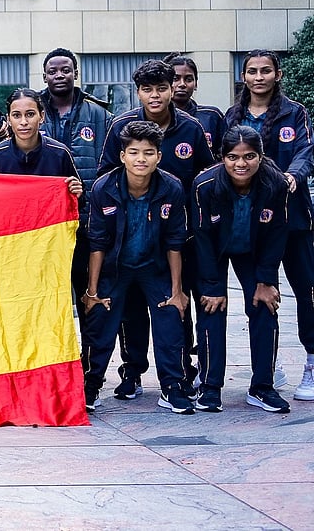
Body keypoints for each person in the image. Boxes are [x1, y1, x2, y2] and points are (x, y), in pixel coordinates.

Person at [97, 60, 214, 401]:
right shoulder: (122, 125)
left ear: (172, 87)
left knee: (178, 303)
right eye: (147, 89)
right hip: (131, 235)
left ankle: (182, 372)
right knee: (130, 308)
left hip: (178, 234)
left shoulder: (191, 128)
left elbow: (207, 175)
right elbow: (107, 175)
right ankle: (131, 372)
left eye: (162, 88)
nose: (156, 95)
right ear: (138, 92)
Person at [81, 121, 190, 414]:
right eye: (134, 152)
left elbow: (175, 241)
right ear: (122, 156)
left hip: (155, 267)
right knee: (100, 320)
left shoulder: (171, 187)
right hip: (115, 268)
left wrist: (177, 290)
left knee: (170, 318)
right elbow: (97, 242)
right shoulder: (104, 187)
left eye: (148, 152)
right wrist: (92, 291)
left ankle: (173, 386)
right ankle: (90, 385)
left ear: (159, 156)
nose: (141, 159)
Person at [224, 49, 314, 402]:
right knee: (260, 294)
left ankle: (310, 362)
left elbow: (307, 151)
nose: (258, 76)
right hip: (250, 219)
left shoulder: (296, 113)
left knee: (306, 290)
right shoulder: (233, 115)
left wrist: (293, 177)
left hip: (292, 218)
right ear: (243, 76)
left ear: (278, 75)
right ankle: (267, 366)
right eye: (251, 71)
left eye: (265, 70)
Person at [192, 126, 291, 413]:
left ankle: (262, 386)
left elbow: (277, 233)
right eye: (233, 157)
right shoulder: (205, 185)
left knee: (264, 306)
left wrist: (266, 279)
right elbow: (201, 235)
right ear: (222, 158)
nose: (241, 164)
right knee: (212, 308)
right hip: (215, 249)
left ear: (260, 157)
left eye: (249, 156)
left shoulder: (275, 184)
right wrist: (212, 285)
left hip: (255, 250)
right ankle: (210, 387)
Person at [39, 47, 113, 311]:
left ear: (76, 74)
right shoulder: (31, 112)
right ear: (44, 76)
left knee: (88, 291)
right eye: (53, 71)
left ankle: (90, 352)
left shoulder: (99, 114)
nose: (60, 75)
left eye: (66, 70)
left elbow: (112, 164)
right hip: (43, 222)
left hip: (87, 218)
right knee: (49, 295)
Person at [0, 88, 84, 197]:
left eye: (30, 114)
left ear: (41, 116)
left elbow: (78, 200)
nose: (24, 122)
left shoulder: (60, 154)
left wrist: (77, 192)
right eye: (16, 115)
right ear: (9, 120)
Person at [165, 53, 226, 156]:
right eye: (175, 79)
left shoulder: (212, 116)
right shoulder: (152, 116)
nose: (182, 84)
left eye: (188, 79)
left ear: (196, 84)